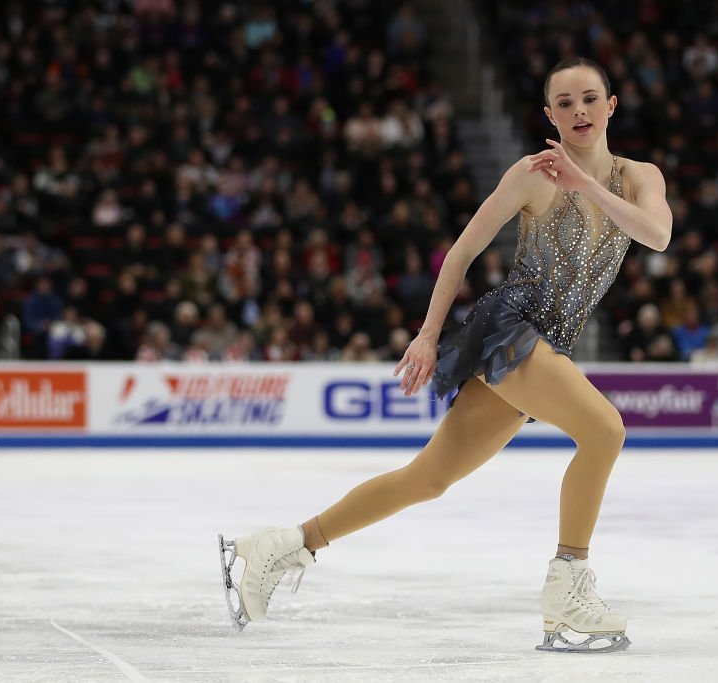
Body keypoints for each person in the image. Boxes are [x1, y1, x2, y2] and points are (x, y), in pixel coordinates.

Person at [219, 57, 672, 653]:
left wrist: (584, 183)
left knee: (428, 479)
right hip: (510, 331)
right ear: (548, 115)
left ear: (611, 106)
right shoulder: (531, 174)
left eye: (589, 99)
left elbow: (657, 235)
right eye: (564, 103)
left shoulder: (640, 177)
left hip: (546, 346)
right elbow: (458, 255)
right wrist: (429, 336)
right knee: (605, 431)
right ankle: (567, 586)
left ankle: (281, 546)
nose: (578, 111)